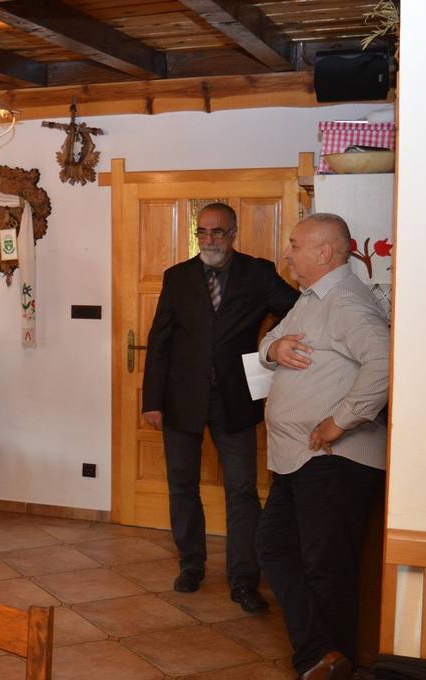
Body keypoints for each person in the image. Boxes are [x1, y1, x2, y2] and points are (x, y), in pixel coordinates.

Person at [142, 202, 298, 613]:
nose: (209, 240)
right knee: (182, 486)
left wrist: (270, 344)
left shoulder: (258, 273)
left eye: (218, 232)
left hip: (235, 399)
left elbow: (298, 309)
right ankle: (191, 565)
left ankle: (244, 579)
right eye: (203, 232)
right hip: (181, 400)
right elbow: (159, 341)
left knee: (242, 491)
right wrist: (152, 401)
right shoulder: (177, 277)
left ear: (233, 233)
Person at [256, 213, 388, 680]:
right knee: (274, 548)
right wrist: (273, 350)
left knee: (326, 569)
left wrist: (339, 421)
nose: (287, 253)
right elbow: (271, 339)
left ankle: (329, 663)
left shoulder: (346, 301)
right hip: (299, 458)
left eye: (294, 245)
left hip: (334, 460)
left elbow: (385, 363)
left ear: (324, 252)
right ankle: (320, 656)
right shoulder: (312, 298)